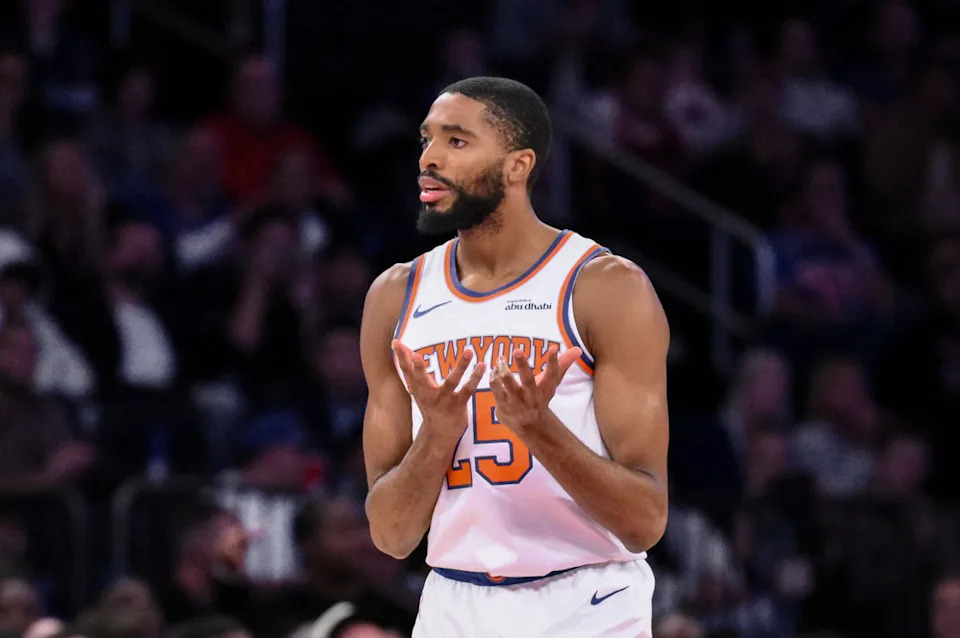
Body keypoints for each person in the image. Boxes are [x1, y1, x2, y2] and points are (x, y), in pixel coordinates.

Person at [359, 76, 670, 637]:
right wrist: (437, 434)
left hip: (587, 597)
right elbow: (391, 535)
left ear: (517, 165)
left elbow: (645, 521)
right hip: (453, 599)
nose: (429, 159)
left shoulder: (603, 287)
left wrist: (536, 426)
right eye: (426, 140)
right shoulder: (394, 295)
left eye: (456, 142)